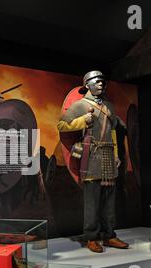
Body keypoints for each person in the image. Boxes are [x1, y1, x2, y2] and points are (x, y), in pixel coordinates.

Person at [57, 70, 129, 253]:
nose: (101, 85)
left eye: (102, 82)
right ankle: (91, 237)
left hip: (107, 154)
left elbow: (112, 131)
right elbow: (62, 125)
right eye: (97, 82)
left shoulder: (109, 107)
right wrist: (83, 120)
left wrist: (116, 153)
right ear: (87, 84)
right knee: (92, 200)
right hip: (91, 155)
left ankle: (109, 235)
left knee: (109, 199)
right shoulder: (80, 106)